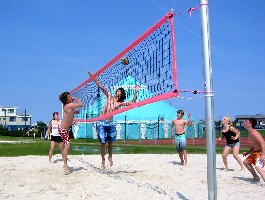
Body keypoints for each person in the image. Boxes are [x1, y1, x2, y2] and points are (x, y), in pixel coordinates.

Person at [88, 71, 140, 169]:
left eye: (119, 92)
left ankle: (110, 157)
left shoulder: (119, 103)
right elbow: (101, 86)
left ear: (121, 95)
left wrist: (136, 91)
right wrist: (94, 78)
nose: (117, 92)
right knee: (103, 142)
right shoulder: (109, 96)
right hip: (101, 121)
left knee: (110, 142)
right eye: (117, 91)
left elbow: (133, 103)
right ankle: (103, 159)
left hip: (110, 123)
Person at [58, 91, 82, 174]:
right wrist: (75, 98)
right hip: (63, 129)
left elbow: (69, 113)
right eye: (69, 97)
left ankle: (64, 161)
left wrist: (74, 113)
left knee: (67, 146)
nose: (71, 97)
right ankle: (65, 165)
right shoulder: (69, 105)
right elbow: (80, 104)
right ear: (66, 100)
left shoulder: (68, 106)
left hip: (66, 128)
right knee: (67, 145)